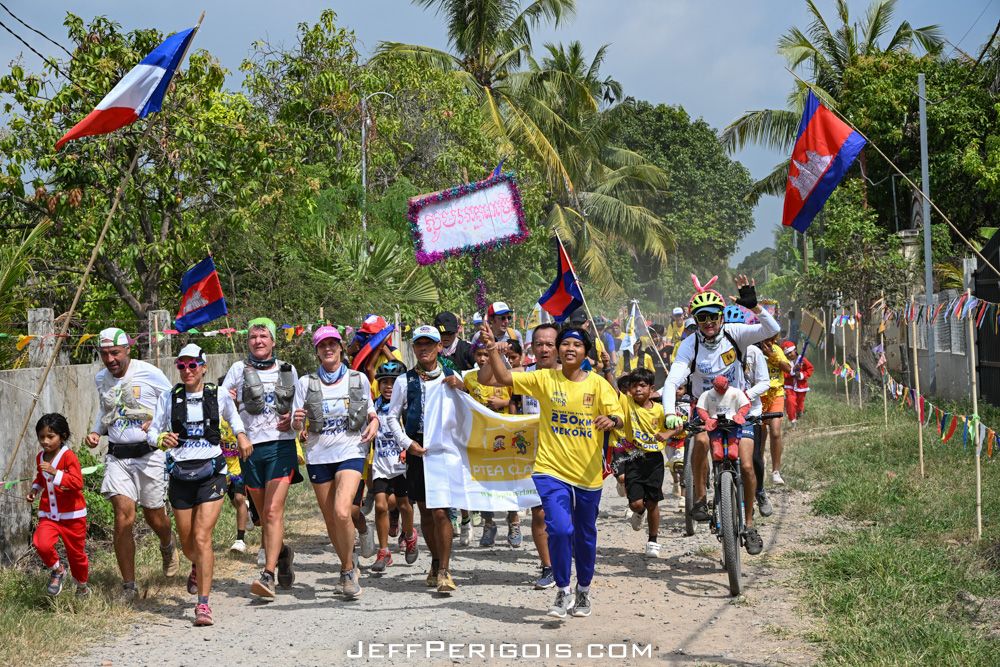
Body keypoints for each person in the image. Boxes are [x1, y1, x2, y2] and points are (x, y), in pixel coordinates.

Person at [480, 323, 624, 619]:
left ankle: (583, 588)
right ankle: (563, 588)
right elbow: (506, 378)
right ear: (559, 350)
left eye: (577, 345)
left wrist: (611, 420)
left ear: (585, 352)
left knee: (585, 535)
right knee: (559, 529)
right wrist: (494, 348)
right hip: (550, 469)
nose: (570, 349)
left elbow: (619, 414)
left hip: (587, 474)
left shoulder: (597, 384)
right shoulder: (544, 379)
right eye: (566, 344)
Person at [661, 274, 779, 554]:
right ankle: (700, 499)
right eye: (702, 318)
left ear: (722, 316)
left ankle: (749, 525)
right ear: (696, 321)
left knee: (748, 466)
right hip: (707, 410)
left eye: (714, 316)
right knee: (700, 442)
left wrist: (755, 307)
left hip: (740, 410)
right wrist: (669, 413)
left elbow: (772, 328)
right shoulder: (691, 344)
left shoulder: (735, 333)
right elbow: (671, 382)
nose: (709, 323)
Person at [148, 344, 250, 626]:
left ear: (204, 367)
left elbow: (234, 418)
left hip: (212, 472)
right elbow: (153, 431)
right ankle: (195, 563)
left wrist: (241, 436)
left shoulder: (217, 396)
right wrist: (159, 439)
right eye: (182, 365)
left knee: (203, 537)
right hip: (180, 473)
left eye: (193, 365)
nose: (187, 370)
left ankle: (203, 604)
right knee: (188, 543)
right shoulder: (169, 397)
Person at [85, 327, 177, 600]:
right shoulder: (101, 378)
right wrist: (96, 431)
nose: (111, 359)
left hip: (150, 455)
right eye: (104, 354)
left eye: (115, 353)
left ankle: (167, 542)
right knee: (123, 517)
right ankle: (129, 586)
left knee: (154, 516)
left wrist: (158, 422)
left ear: (127, 350)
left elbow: (173, 401)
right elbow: (106, 410)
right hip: (118, 456)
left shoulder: (149, 372)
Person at [291, 325, 379, 598]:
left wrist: (374, 423)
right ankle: (348, 566)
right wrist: (298, 424)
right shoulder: (306, 383)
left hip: (351, 450)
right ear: (317, 352)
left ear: (341, 347)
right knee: (331, 519)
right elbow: (298, 420)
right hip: (319, 455)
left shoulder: (358, 379)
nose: (328, 349)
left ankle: (346, 569)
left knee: (343, 511)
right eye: (322, 345)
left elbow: (372, 413)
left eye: (332, 344)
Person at [222, 317, 299, 599]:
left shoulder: (288, 370)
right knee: (262, 516)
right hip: (250, 449)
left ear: (274, 341)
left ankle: (268, 576)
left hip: (281, 447)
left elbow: (300, 409)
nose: (258, 341)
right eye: (254, 336)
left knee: (271, 512)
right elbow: (221, 402)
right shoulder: (237, 370)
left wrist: (293, 419)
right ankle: (283, 554)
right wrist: (228, 398)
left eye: (263, 336)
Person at [386, 325, 466, 594]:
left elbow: (470, 406)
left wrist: (463, 387)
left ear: (438, 347)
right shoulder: (403, 381)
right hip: (418, 450)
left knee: (442, 511)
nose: (424, 349)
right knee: (426, 513)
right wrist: (408, 444)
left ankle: (444, 570)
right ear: (413, 348)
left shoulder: (452, 376)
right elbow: (391, 416)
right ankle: (434, 561)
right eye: (419, 344)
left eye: (429, 344)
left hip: (444, 449)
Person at [462, 341, 521, 548]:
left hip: (506, 437)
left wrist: (504, 405)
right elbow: (461, 397)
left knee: (510, 482)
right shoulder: (470, 377)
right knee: (483, 483)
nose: (483, 359)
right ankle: (488, 524)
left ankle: (514, 521)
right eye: (479, 354)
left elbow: (517, 400)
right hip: (480, 438)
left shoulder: (509, 375)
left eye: (487, 355)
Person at [28, 413, 89, 598]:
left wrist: (56, 473)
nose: (45, 441)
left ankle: (82, 587)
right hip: (49, 514)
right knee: (41, 543)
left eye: (50, 436)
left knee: (76, 555)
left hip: (73, 516)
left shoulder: (69, 457)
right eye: (41, 437)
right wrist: (34, 489)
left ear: (62, 436)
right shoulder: (40, 457)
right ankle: (58, 569)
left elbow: (77, 483)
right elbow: (40, 477)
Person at [724, 305, 773, 521]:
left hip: (750, 412)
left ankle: (759, 491)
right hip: (725, 412)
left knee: (752, 459)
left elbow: (764, 382)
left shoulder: (754, 352)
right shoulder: (718, 351)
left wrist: (746, 395)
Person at [369, 361, 418, 572]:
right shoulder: (373, 407)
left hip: (402, 465)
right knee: (380, 506)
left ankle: (410, 535)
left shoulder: (406, 407)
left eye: (393, 382)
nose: (389, 386)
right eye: (384, 383)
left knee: (405, 505)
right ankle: (383, 551)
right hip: (381, 464)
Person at [620, 369, 675, 558]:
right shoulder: (627, 404)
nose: (637, 390)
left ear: (652, 389)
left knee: (653, 502)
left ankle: (653, 540)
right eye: (633, 386)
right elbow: (612, 389)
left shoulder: (660, 410)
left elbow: (677, 426)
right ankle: (639, 512)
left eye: (642, 386)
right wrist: (607, 368)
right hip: (633, 459)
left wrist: (666, 434)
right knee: (636, 503)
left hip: (654, 460)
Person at [759, 334, 792, 486]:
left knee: (776, 431)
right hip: (758, 396)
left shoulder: (777, 350)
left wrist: (771, 355)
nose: (769, 342)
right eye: (766, 339)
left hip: (776, 394)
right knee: (759, 435)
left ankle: (776, 471)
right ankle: (759, 462)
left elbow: (787, 369)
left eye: (772, 340)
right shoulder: (752, 350)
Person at [782, 340, 813, 425]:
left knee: (800, 404)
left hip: (801, 386)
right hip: (790, 387)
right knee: (790, 402)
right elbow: (784, 374)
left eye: (790, 352)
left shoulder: (802, 360)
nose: (789, 355)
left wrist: (801, 375)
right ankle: (792, 420)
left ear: (795, 350)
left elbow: (810, 369)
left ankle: (799, 413)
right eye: (786, 354)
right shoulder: (785, 363)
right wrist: (792, 372)